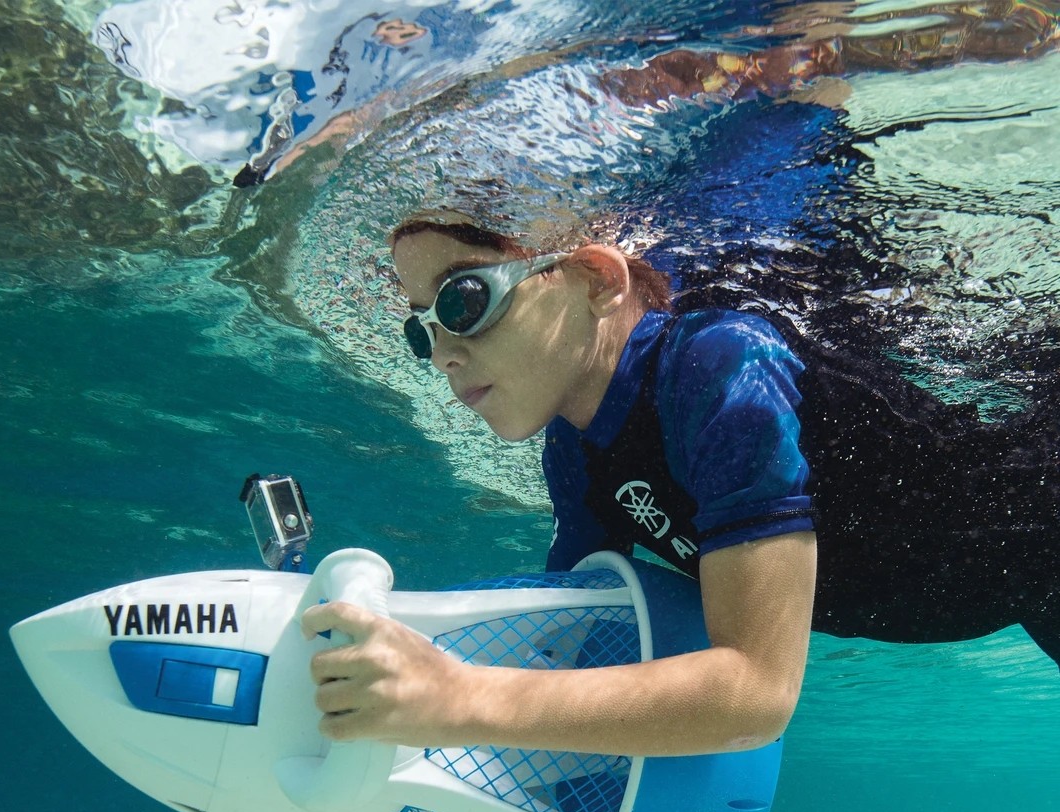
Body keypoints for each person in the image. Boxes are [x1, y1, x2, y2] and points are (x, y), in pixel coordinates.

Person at [300, 209, 1059, 760]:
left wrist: (463, 698)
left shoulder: (721, 367)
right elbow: (572, 646)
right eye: (420, 328)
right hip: (1003, 587)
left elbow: (756, 695)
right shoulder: (574, 448)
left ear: (596, 277)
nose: (442, 354)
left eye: (462, 302)